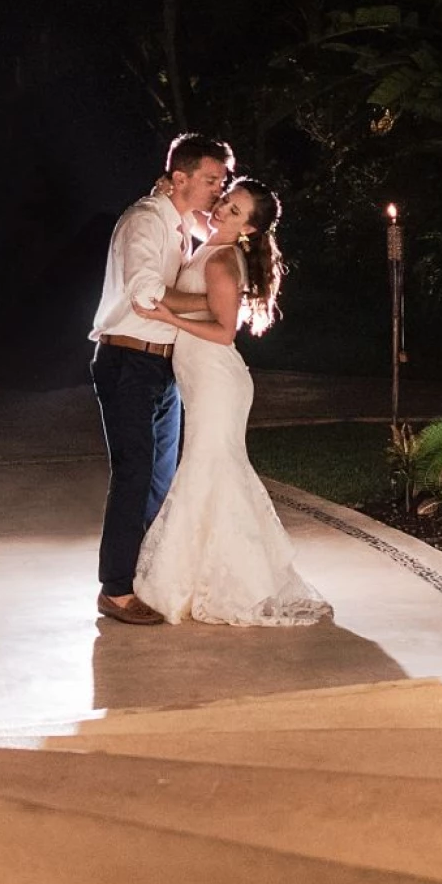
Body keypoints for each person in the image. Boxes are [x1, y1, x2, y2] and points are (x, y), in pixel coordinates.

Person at [130, 178, 332, 626]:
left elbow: (224, 332)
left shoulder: (222, 258)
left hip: (217, 378)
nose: (222, 210)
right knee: (212, 472)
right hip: (203, 378)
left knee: (209, 471)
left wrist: (166, 315)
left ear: (250, 231)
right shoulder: (214, 240)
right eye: (225, 201)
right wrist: (166, 187)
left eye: (236, 211)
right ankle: (210, 574)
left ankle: (230, 583)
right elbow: (190, 212)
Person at [89, 133, 230, 625]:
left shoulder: (177, 225)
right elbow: (147, 294)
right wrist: (218, 304)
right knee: (135, 472)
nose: (219, 189)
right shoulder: (146, 221)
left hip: (160, 364)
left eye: (222, 180)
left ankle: (146, 574)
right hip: (129, 360)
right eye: (211, 180)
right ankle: (117, 588)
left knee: (160, 478)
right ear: (180, 178)